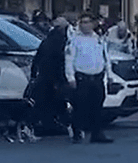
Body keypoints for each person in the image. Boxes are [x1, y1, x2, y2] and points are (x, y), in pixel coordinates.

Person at [64, 13, 113, 144]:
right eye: (83, 22)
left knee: (97, 107)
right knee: (80, 107)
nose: (85, 25)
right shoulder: (74, 40)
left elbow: (105, 58)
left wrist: (109, 75)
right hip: (82, 78)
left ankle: (97, 133)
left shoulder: (98, 39)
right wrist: (70, 77)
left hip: (97, 78)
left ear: (92, 24)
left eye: (87, 22)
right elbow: (69, 60)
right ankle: (77, 132)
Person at [30, 17, 71, 135]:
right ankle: (56, 125)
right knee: (55, 101)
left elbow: (38, 57)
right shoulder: (60, 41)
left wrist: (34, 73)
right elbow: (59, 61)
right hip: (53, 77)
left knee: (45, 102)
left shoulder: (48, 40)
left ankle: (46, 124)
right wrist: (60, 79)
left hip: (44, 76)